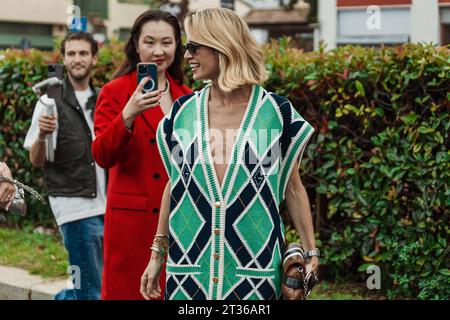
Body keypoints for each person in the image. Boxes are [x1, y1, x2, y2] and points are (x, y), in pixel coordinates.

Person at [141, 7, 320, 300]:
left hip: (255, 275)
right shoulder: (181, 114)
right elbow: (174, 184)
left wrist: (310, 250)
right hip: (189, 275)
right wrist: (157, 253)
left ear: (222, 45)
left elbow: (293, 186)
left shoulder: (276, 114)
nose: (187, 55)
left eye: (194, 47)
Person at [92, 10, 191, 300]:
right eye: (150, 42)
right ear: (136, 44)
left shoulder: (187, 96)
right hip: (131, 226)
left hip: (177, 224)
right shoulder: (115, 91)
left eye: (167, 42)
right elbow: (101, 155)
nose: (158, 51)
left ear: (177, 47)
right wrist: (128, 114)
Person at [24, 32, 106, 300]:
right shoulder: (50, 101)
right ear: (64, 59)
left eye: (83, 53)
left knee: (94, 286)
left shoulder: (103, 98)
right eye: (71, 54)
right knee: (88, 290)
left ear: (94, 58)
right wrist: (43, 136)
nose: (77, 59)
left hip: (109, 206)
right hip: (75, 208)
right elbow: (36, 160)